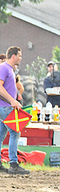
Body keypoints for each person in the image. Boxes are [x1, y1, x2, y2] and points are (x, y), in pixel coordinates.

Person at [0, 46, 30, 175]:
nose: (21, 58)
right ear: (13, 56)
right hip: (5, 106)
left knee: (1, 135)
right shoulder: (4, 68)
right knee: (15, 132)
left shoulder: (10, 70)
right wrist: (12, 101)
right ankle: (13, 164)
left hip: (4, 106)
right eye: (19, 55)